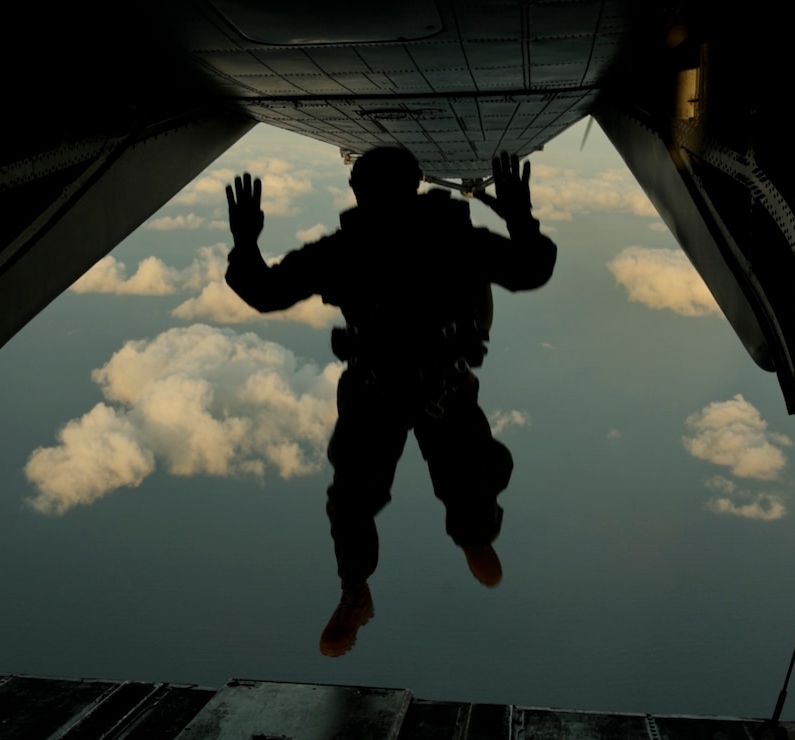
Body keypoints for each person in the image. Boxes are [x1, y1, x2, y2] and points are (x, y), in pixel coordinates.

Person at [224, 147, 556, 657]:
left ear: (357, 191)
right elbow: (531, 268)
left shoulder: (345, 250)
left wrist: (245, 242)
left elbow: (266, 291)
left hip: (395, 387)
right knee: (438, 478)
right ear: (417, 184)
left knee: (362, 497)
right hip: (413, 386)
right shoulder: (448, 239)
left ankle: (364, 587)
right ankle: (448, 547)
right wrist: (518, 216)